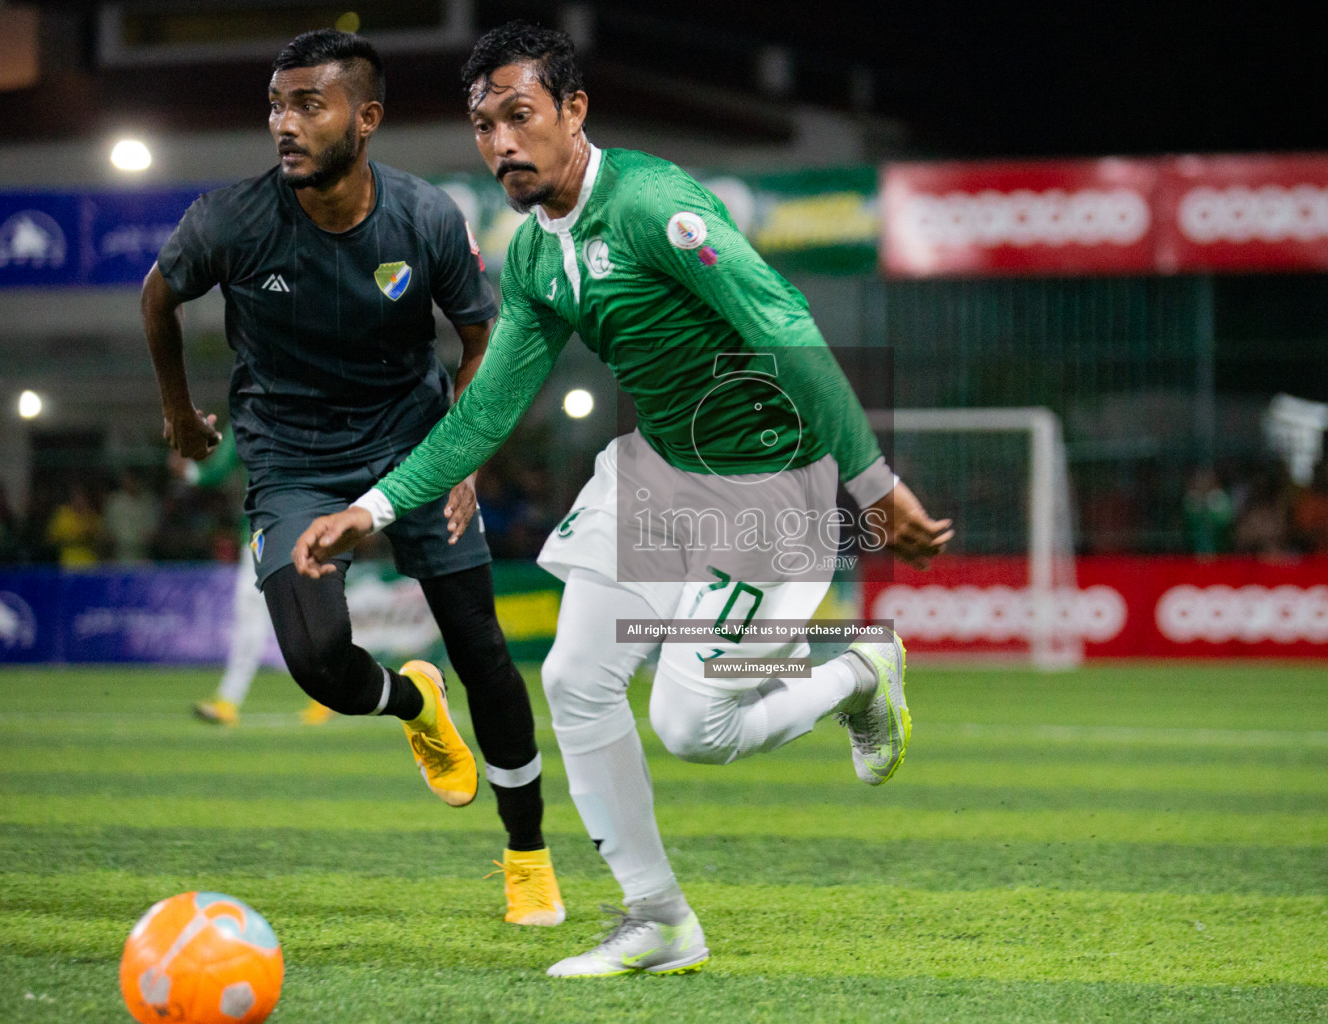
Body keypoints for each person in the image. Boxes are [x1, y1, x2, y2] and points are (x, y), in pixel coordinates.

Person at [293, 22, 952, 978]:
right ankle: (658, 919)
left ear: (573, 110)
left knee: (694, 730)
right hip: (656, 477)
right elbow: (485, 415)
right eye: (484, 125)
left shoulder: (651, 207)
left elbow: (783, 317)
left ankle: (857, 672)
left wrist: (873, 482)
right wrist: (376, 506)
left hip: (773, 492)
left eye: (520, 115)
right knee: (574, 680)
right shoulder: (531, 256)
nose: (502, 143)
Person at [140, 29, 563, 926]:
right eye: (275, 106)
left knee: (483, 649)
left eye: (307, 105)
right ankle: (413, 701)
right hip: (290, 462)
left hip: (414, 451)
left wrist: (463, 454)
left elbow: (481, 339)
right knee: (321, 666)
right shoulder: (230, 220)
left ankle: (528, 853)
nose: (283, 125)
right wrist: (178, 412)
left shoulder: (425, 219)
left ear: (365, 119)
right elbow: (158, 296)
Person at [182, 429, 333, 727]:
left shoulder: (247, 419)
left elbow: (214, 473)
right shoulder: (305, 414)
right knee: (302, 615)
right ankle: (232, 699)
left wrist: (187, 469)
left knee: (263, 617)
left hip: (265, 532)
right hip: (300, 526)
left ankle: (231, 700)